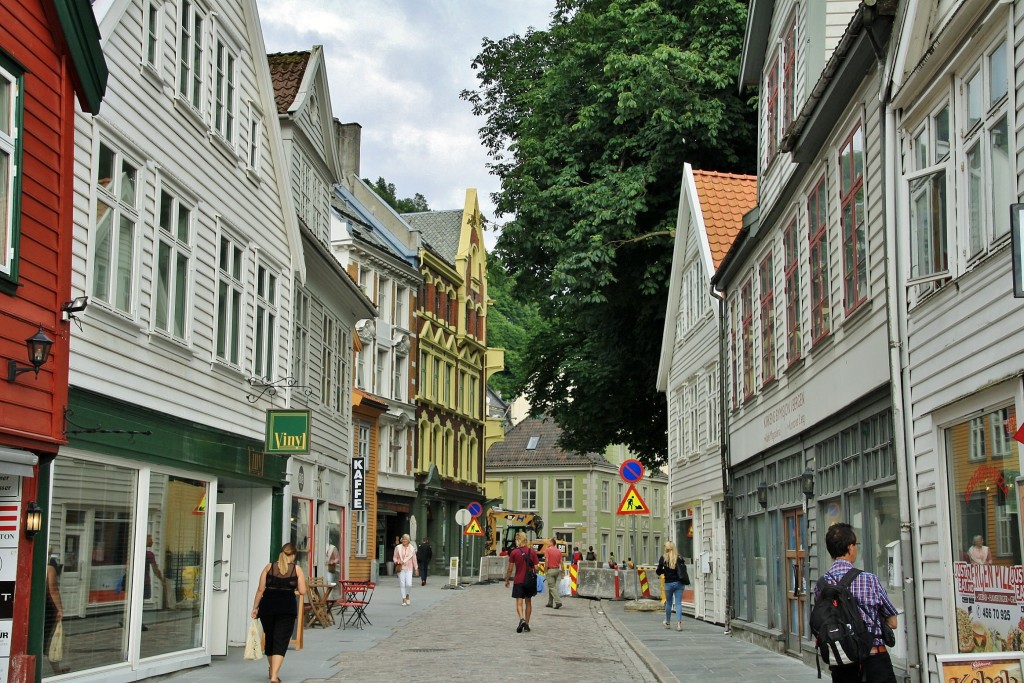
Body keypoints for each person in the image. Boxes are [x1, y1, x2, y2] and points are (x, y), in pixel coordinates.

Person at [815, 523, 899, 683]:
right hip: (875, 659)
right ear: (850, 547)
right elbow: (893, 622)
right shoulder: (869, 580)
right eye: (856, 544)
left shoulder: (821, 584)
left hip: (843, 661)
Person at [251, 543, 307, 683]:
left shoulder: (269, 567)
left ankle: (271, 670)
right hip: (286, 609)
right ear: (293, 555)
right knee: (280, 641)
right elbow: (302, 591)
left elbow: (260, 590)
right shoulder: (297, 570)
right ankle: (274, 676)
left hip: (267, 608)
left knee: (270, 638)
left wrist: (255, 608)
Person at [504, 531, 539, 633]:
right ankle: (527, 624)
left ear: (517, 540)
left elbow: (510, 569)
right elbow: (536, 568)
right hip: (529, 581)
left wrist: (507, 579)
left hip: (518, 580)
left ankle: (521, 619)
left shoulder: (514, 552)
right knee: (528, 602)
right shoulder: (532, 551)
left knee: (519, 603)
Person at [44, 553, 69, 674]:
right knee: (51, 639)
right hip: (46, 608)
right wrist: (60, 609)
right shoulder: (49, 568)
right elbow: (53, 589)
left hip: (30, 606)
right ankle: (56, 670)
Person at [656, 541, 688, 632]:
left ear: (666, 548)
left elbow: (658, 571)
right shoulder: (679, 557)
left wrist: (664, 571)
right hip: (679, 583)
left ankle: (668, 622)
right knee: (678, 603)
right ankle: (679, 623)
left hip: (668, 583)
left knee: (669, 603)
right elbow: (682, 569)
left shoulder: (663, 558)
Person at [394, 533, 418, 605]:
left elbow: (414, 559)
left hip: (409, 568)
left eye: (406, 539)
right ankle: (404, 599)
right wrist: (398, 561)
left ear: (408, 540)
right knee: (402, 584)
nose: (404, 540)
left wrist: (416, 568)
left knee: (409, 584)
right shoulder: (398, 548)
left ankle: (407, 595)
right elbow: (394, 557)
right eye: (403, 539)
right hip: (401, 568)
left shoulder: (412, 548)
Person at [543, 538, 563, 609]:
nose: (547, 543)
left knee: (552, 587)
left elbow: (546, 561)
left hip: (550, 570)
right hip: (557, 570)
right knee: (552, 586)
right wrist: (562, 572)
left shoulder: (548, 550)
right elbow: (561, 562)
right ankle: (550, 602)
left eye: (548, 542)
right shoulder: (559, 551)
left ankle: (558, 602)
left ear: (552, 542)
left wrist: (545, 570)